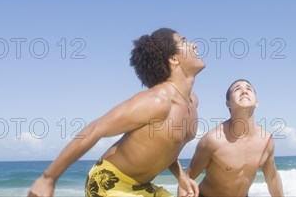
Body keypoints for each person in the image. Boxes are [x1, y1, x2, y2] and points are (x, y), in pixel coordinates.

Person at [28, 28, 204, 197]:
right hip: (108, 183)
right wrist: (48, 178)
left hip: (142, 187)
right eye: (184, 41)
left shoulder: (192, 101)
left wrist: (181, 176)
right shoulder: (157, 101)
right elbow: (95, 128)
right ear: (173, 59)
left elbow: (168, 146)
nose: (194, 45)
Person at [186, 79, 284, 197]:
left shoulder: (266, 140)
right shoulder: (212, 140)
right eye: (237, 89)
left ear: (257, 102)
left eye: (249, 89)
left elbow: (272, 179)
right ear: (228, 103)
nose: (244, 91)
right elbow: (186, 180)